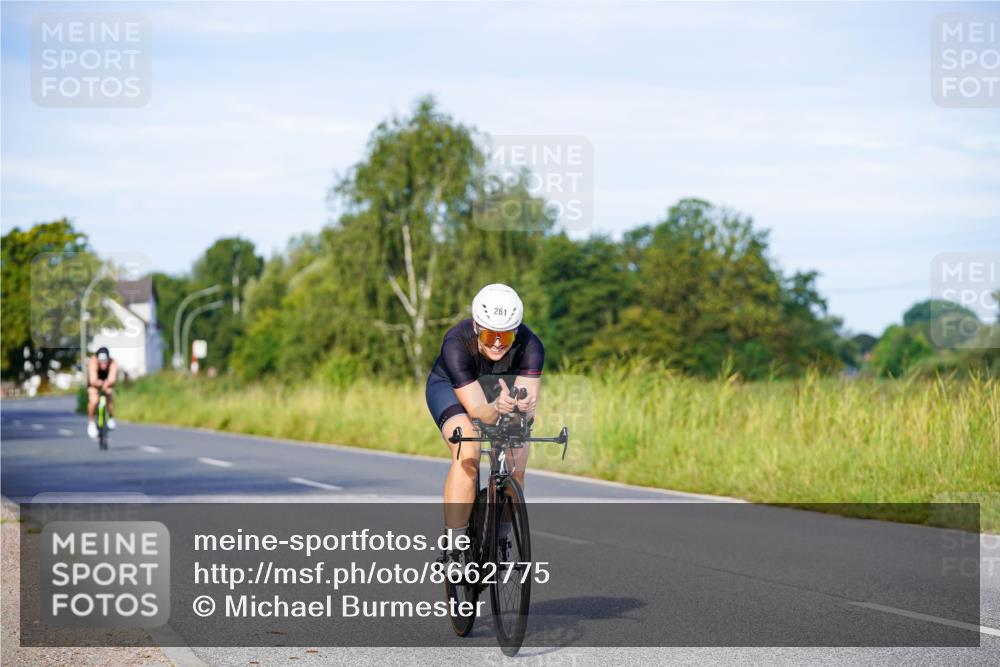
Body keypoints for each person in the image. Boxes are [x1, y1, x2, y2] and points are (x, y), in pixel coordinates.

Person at [425, 284, 543, 561]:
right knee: (468, 449)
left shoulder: (532, 346)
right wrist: (496, 408)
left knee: (517, 459)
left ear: (517, 331)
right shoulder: (456, 342)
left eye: (506, 335)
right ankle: (454, 549)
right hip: (453, 390)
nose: (498, 343)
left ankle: (500, 537)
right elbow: (478, 411)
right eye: (490, 335)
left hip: (499, 393)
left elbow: (526, 413)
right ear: (477, 327)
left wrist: (521, 410)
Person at [86, 347, 118, 439]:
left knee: (109, 395)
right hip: (95, 383)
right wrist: (99, 383)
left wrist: (108, 383)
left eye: (105, 361)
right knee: (94, 400)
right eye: (101, 361)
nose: (103, 364)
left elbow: (112, 377)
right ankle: (91, 422)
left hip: (107, 382)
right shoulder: (93, 362)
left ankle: (111, 417)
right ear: (97, 359)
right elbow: (93, 379)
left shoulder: (113, 362)